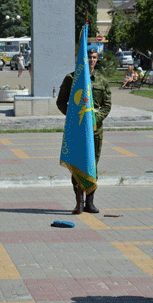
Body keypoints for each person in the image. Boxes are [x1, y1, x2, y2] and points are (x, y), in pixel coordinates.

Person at [57, 45, 112, 214]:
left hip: (95, 131)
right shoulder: (71, 79)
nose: (92, 60)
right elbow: (61, 102)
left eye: (95, 57)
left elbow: (107, 105)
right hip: (77, 130)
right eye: (89, 57)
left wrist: (95, 119)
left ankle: (90, 201)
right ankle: (78, 201)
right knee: (77, 164)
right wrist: (75, 119)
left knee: (91, 165)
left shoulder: (101, 81)